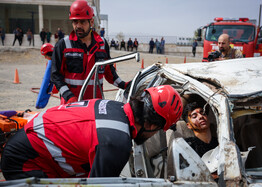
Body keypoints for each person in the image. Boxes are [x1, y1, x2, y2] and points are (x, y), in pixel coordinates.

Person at [1, 85, 183, 180]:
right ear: (152, 126)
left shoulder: (114, 106)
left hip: (27, 143)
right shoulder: (117, 144)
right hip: (25, 162)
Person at [51, 0, 131, 104]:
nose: (78, 26)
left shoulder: (102, 44)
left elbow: (109, 71)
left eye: (83, 21)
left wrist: (123, 85)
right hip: (71, 104)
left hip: (95, 104)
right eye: (75, 22)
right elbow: (55, 75)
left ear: (91, 22)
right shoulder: (63, 45)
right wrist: (68, 96)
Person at [36, 43, 58, 109]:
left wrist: (53, 90)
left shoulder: (55, 63)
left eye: (45, 56)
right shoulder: (51, 63)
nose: (45, 57)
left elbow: (56, 78)